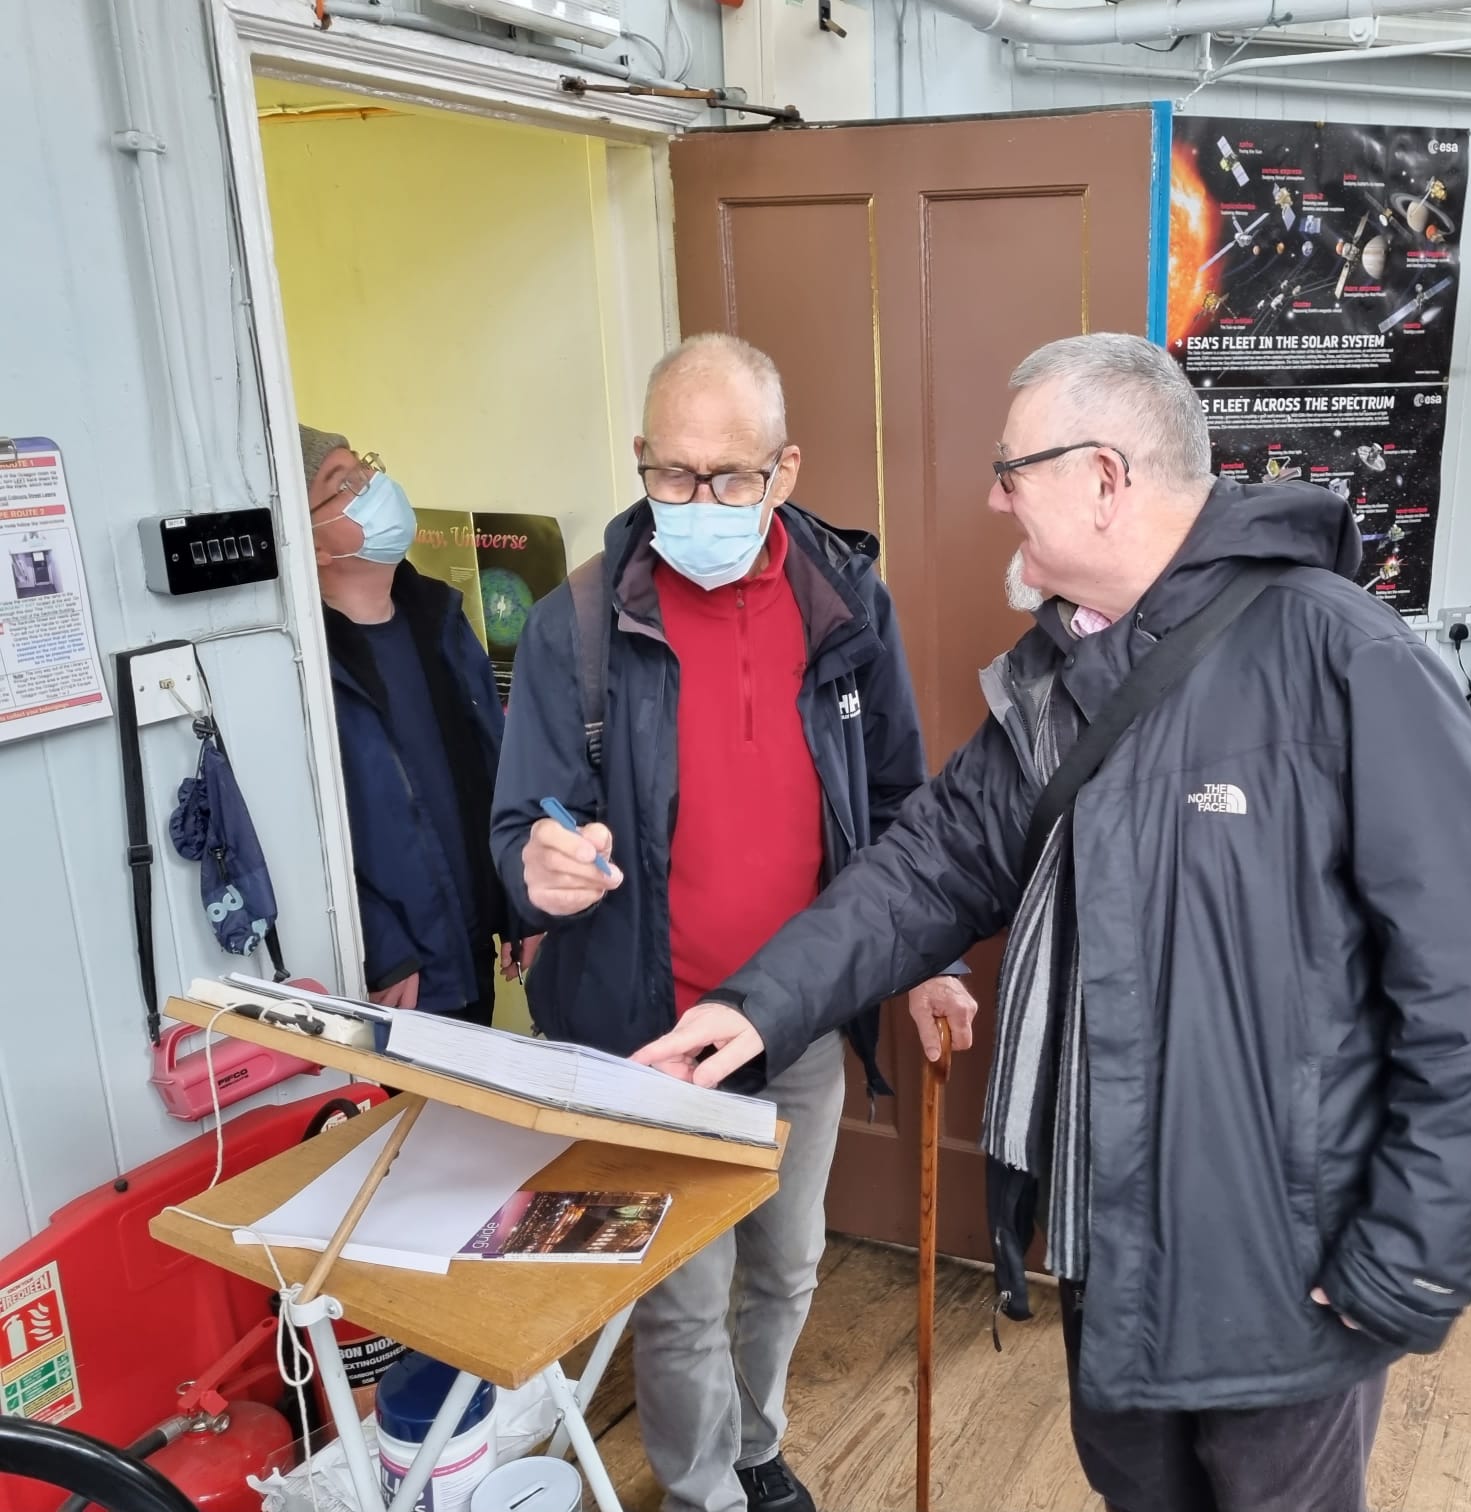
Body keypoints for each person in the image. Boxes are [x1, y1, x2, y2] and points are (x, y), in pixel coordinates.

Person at [633, 334, 1471, 1512]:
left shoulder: (1346, 658)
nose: (994, 498)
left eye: (1011, 470)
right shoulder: (1062, 672)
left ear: (1106, 478)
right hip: (1109, 1240)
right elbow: (921, 871)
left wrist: (1407, 1261)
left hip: (1284, 1271)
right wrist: (756, 1008)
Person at [489, 334, 975, 1512]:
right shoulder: (576, 626)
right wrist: (536, 869)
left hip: (798, 1021)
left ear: (784, 470)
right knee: (682, 1298)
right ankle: (703, 1491)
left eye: (730, 478)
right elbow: (517, 829)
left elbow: (902, 809)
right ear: (641, 457)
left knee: (790, 1265)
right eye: (672, 473)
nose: (697, 502)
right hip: (651, 1037)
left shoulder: (847, 606)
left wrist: (930, 959)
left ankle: (757, 1447)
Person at [301, 426, 534, 1022]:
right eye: (343, 484)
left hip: (473, 945)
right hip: (400, 973)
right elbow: (303, 832)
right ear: (313, 545)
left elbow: (499, 772)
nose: (372, 485)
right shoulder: (305, 667)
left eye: (365, 468)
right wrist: (378, 945)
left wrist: (521, 901)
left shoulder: (440, 618)